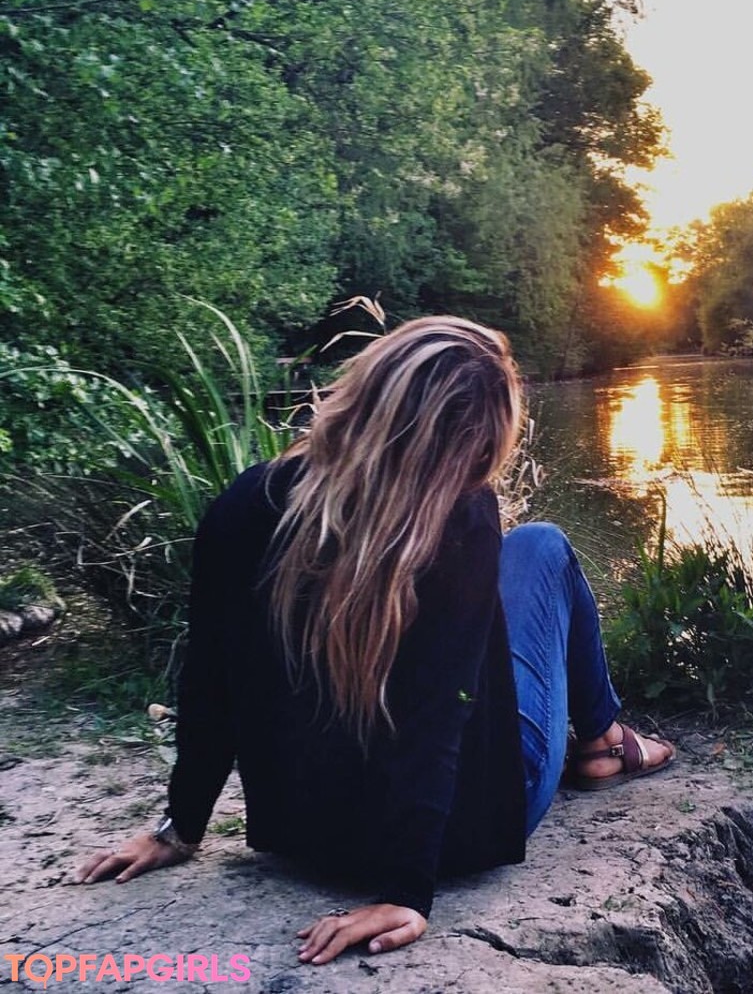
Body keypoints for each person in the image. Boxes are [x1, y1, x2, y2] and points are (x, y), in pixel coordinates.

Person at [76, 316, 674, 963]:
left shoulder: (244, 501)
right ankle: (604, 739)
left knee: (517, 565)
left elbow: (208, 682)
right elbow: (439, 711)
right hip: (455, 838)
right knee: (542, 546)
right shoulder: (463, 514)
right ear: (471, 449)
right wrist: (406, 891)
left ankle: (602, 739)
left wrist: (180, 826)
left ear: (364, 388)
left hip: (303, 835)